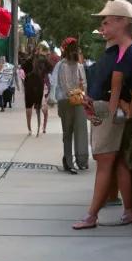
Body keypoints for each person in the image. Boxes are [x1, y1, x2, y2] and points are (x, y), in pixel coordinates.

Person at [75, 0, 132, 228]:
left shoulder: (129, 53)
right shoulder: (116, 51)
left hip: (112, 116)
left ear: (122, 22)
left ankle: (92, 215)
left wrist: (126, 112)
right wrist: (92, 101)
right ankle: (128, 211)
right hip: (108, 113)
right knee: (117, 164)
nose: (103, 28)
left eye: (107, 23)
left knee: (105, 162)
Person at [51, 37, 89, 173]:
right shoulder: (72, 65)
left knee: (70, 132)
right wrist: (82, 97)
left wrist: (78, 96)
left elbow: (70, 86)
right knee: (73, 131)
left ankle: (73, 160)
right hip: (73, 101)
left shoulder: (68, 65)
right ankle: (75, 160)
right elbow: (79, 85)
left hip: (70, 100)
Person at [23, 48, 49, 134]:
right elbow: (48, 69)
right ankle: (39, 127)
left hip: (29, 86)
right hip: (39, 86)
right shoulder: (42, 61)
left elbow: (23, 68)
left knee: (29, 107)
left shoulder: (28, 61)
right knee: (39, 107)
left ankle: (29, 128)